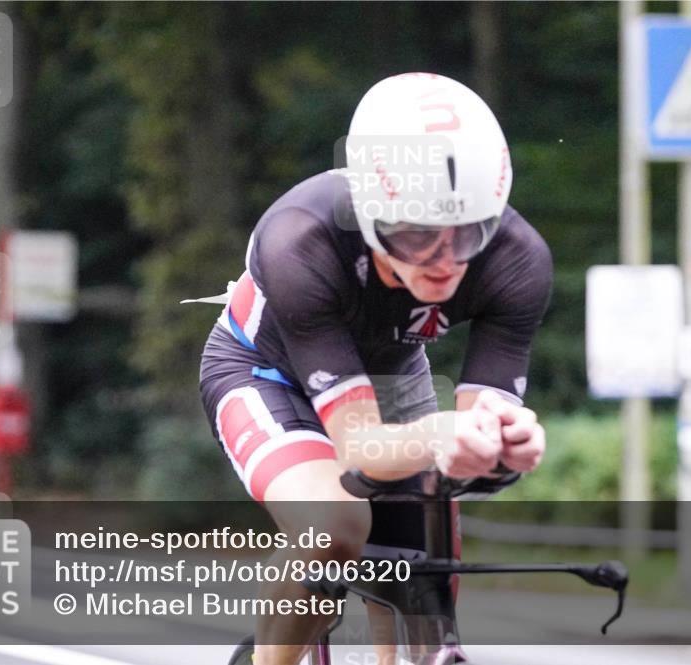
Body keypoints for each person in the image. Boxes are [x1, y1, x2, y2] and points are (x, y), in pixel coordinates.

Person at [198, 73, 553, 665]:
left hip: (393, 374)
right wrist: (438, 436)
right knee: (335, 526)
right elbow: (361, 449)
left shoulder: (518, 260)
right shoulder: (300, 240)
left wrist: (504, 449)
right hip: (266, 371)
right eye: (415, 236)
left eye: (468, 233)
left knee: (427, 582)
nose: (444, 263)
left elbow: (475, 444)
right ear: (369, 215)